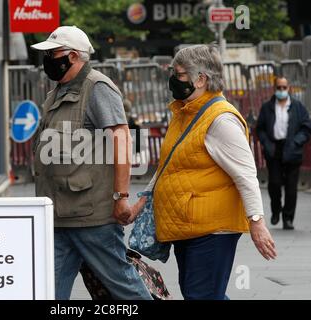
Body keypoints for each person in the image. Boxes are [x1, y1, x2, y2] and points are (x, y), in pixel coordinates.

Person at [129, 45, 277, 300]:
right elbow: (169, 162)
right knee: (200, 294)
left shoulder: (221, 119)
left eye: (180, 74)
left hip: (212, 228)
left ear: (201, 79)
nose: (174, 79)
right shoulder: (184, 111)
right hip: (188, 224)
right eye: (173, 72)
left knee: (201, 295)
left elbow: (245, 174)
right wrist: (144, 198)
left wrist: (257, 222)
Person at [31, 26, 152, 300]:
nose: (48, 59)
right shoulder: (56, 93)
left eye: (53, 53)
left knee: (125, 288)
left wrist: (121, 196)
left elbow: (121, 138)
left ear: (73, 56)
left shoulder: (97, 87)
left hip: (92, 218)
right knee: (47, 292)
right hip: (59, 216)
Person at [256, 77, 311, 230]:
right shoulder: (267, 107)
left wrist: (296, 142)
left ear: (289, 88)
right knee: (274, 183)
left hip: (292, 150)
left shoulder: (298, 107)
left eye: (284, 87)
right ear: (275, 88)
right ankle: (275, 211)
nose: (281, 90)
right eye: (279, 87)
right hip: (274, 150)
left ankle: (288, 218)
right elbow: (259, 128)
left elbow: (306, 128)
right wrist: (267, 144)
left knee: (291, 187)